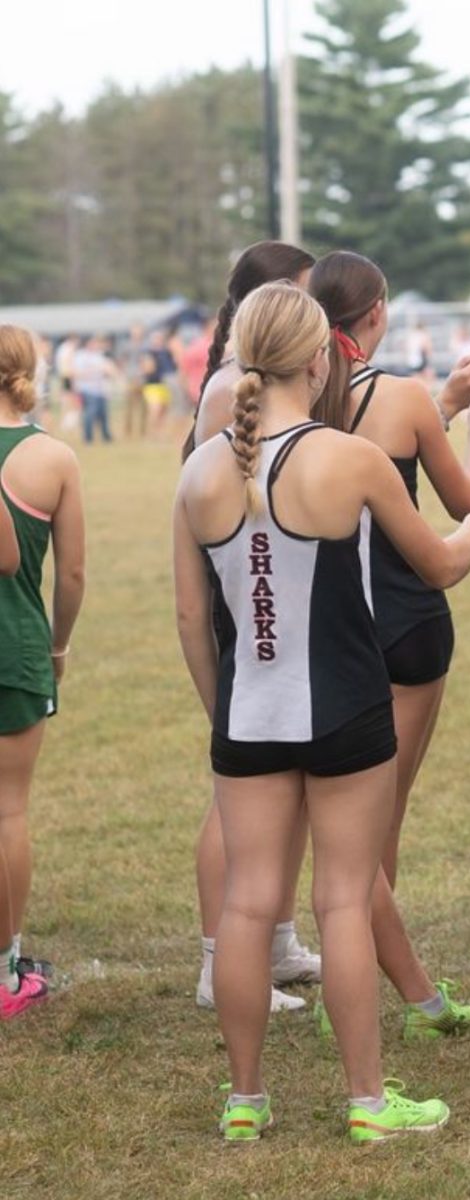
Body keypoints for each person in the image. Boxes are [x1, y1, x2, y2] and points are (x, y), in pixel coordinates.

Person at [173, 282, 470, 1140]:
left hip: (249, 713)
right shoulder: (346, 456)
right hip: (346, 705)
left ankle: (245, 1102)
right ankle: (366, 1102)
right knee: (343, 902)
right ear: (320, 360)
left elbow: (189, 620)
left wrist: (227, 713)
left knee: (248, 905)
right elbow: (437, 563)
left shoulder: (200, 470)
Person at [309, 250, 470, 1042]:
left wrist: (444, 408)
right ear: (379, 313)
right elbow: (466, 498)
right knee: (379, 820)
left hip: (332, 627)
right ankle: (397, 993)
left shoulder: (296, 401)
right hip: (410, 621)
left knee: (348, 821)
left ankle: (367, 981)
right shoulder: (401, 395)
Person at [182, 240, 320, 1013]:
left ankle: (272, 941)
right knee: (238, 786)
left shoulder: (253, 385)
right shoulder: (227, 394)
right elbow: (217, 504)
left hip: (262, 588)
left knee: (284, 780)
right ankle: (218, 959)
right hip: (244, 592)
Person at [0, 325, 86, 1020]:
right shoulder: (52, 456)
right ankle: (7, 968)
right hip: (17, 649)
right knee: (9, 811)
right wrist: (57, 646)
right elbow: (73, 572)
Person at [72, 335, 118, 444]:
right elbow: (76, 372)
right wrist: (94, 371)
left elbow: (109, 369)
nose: (96, 345)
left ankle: (106, 436)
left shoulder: (99, 355)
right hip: (87, 389)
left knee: (103, 415)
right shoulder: (80, 356)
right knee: (90, 413)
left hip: (100, 390)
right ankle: (88, 437)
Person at [119, 325, 149, 439]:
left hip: (143, 378)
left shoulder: (146, 345)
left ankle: (143, 431)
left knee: (144, 407)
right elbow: (122, 361)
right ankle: (128, 431)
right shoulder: (126, 345)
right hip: (130, 377)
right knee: (129, 406)